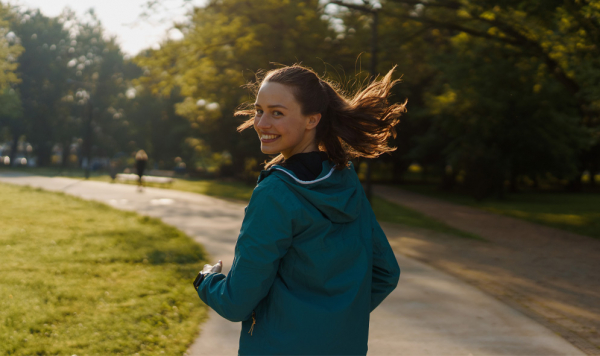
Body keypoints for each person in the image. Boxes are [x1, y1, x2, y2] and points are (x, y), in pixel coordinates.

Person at [194, 65, 406, 355]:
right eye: (259, 110)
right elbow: (386, 273)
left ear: (312, 120)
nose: (261, 123)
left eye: (277, 113)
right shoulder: (345, 179)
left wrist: (206, 280)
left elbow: (236, 302)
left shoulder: (275, 193)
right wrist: (331, 321)